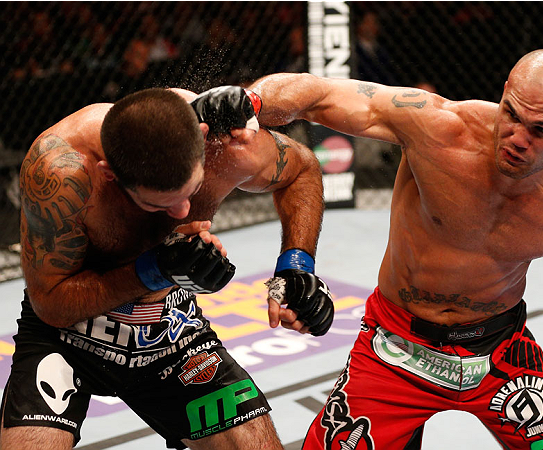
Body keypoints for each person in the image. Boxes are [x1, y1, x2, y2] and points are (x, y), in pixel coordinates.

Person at [250, 49, 543, 449]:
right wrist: (247, 102)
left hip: (501, 353)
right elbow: (317, 94)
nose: (516, 137)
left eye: (541, 131)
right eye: (511, 114)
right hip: (394, 347)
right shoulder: (437, 128)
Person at [1, 86, 334, 449]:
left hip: (170, 330)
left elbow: (300, 168)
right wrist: (153, 270)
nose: (182, 213)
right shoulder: (61, 172)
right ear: (109, 173)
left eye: (190, 192)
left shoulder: (228, 148)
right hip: (67, 336)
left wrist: (296, 264)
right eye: (161, 203)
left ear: (202, 140)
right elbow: (50, 304)